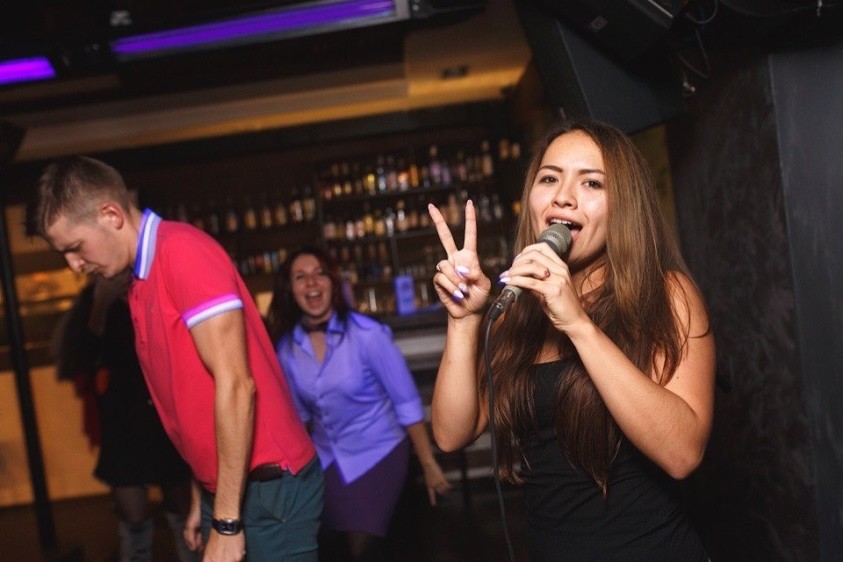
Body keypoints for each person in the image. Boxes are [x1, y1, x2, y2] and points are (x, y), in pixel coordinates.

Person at [428, 118, 715, 561]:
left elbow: (682, 453)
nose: (563, 196)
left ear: (623, 206)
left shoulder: (665, 294)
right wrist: (464, 322)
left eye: (591, 183)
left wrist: (578, 325)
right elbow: (451, 435)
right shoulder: (518, 310)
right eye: (549, 178)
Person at [34, 156, 323, 562]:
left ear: (111, 215)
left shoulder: (182, 252)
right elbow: (191, 405)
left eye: (75, 248)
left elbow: (237, 387)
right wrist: (201, 496)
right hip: (228, 488)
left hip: (269, 490)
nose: (74, 265)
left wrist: (225, 522)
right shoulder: (138, 277)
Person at [266, 246, 453, 561]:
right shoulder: (287, 349)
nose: (311, 283)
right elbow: (299, 418)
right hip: (328, 460)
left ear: (333, 283)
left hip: (379, 452)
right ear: (290, 290)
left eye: (320, 273)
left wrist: (428, 464)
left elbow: (407, 403)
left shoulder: (368, 335)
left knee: (363, 548)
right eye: (300, 277)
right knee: (333, 548)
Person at [56, 271, 198, 562]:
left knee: (183, 511)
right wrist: (101, 304)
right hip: (123, 421)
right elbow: (79, 359)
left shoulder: (156, 287)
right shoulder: (95, 300)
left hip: (166, 415)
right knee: (133, 519)